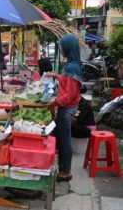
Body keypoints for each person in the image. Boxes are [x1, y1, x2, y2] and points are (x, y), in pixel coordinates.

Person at [46, 34, 82, 182]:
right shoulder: (72, 65)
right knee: (61, 138)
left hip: (67, 109)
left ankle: (66, 171)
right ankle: (61, 166)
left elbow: (69, 95)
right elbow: (65, 80)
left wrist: (53, 103)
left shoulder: (72, 67)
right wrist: (54, 75)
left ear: (68, 48)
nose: (60, 50)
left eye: (61, 47)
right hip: (67, 108)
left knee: (65, 141)